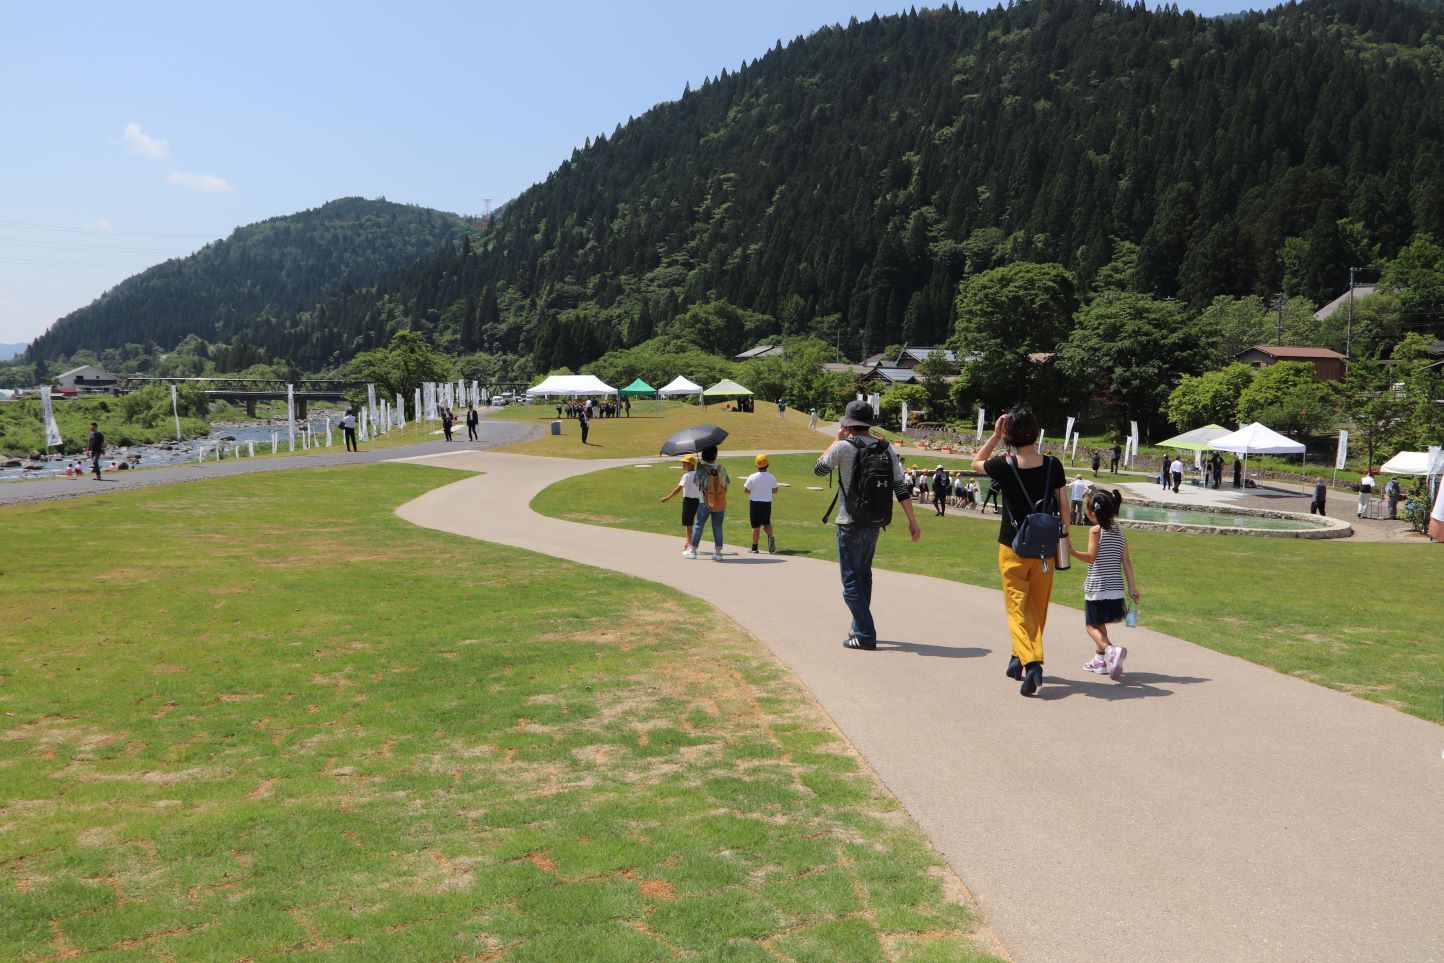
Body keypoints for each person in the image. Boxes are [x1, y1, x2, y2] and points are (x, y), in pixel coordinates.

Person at [973, 407, 1067, 697]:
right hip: (1045, 549)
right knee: (1037, 609)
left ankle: (1031, 661)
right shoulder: (1053, 464)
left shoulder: (1004, 465)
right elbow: (1064, 506)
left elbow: (977, 461)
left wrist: (994, 434)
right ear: (1036, 432)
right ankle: (1018, 658)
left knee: (1017, 607)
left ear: (1009, 434)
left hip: (1013, 546)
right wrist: (1065, 540)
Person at [814, 400, 921, 651]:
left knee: (850, 581)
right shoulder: (886, 448)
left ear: (848, 424)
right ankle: (857, 626)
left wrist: (835, 440)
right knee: (864, 576)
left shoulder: (842, 447)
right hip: (874, 521)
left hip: (849, 521)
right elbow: (900, 486)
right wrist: (913, 522)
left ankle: (864, 633)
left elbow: (819, 469)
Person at [1071, 487, 1139, 682]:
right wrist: (1132, 588)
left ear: (1092, 513)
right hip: (1115, 588)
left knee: (1091, 626)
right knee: (1099, 624)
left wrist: (1073, 552)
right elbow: (1126, 561)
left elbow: (1091, 558)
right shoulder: (1119, 530)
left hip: (1097, 586)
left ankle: (1111, 650)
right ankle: (1099, 661)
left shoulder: (1095, 530)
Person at [687, 445, 730, 560]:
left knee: (699, 524)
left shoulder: (700, 469)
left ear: (703, 455)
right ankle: (718, 553)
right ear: (715, 454)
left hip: (704, 501)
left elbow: (697, 484)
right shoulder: (721, 468)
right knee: (717, 526)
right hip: (719, 501)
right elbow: (725, 484)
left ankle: (693, 550)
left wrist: (699, 470)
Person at [660, 454, 702, 555]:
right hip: (698, 501)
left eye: (684, 463)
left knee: (688, 524)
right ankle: (689, 542)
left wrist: (668, 497)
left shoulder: (686, 476)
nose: (683, 465)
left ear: (690, 465)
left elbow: (678, 489)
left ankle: (690, 543)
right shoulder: (699, 475)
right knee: (693, 524)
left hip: (688, 501)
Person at [744, 454, 780, 553]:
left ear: (756, 465)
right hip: (767, 503)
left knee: (755, 526)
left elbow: (746, 490)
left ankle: (754, 547)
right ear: (767, 465)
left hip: (755, 503)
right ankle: (770, 536)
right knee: (767, 523)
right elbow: (775, 490)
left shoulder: (752, 477)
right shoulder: (771, 477)